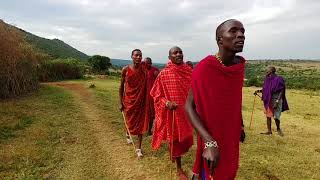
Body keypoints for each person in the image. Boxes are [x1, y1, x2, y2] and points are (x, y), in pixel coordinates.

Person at [185, 19, 246, 179]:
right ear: (220, 39)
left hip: (231, 134)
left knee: (229, 172)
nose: (240, 35)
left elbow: (234, 100)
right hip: (211, 135)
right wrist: (209, 141)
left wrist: (240, 124)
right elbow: (188, 107)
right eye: (233, 31)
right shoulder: (204, 68)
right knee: (212, 172)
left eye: (242, 31)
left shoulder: (238, 67)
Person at [150, 46, 193, 180]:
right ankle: (179, 169)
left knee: (185, 139)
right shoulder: (164, 74)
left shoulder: (189, 71)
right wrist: (166, 103)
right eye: (175, 53)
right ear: (169, 57)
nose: (179, 54)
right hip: (172, 113)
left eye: (180, 52)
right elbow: (156, 95)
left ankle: (175, 155)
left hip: (187, 112)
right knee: (175, 140)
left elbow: (195, 91)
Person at [119, 49, 150, 158]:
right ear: (131, 56)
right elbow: (121, 86)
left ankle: (138, 148)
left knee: (140, 124)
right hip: (128, 101)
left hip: (141, 102)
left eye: (140, 55)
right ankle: (128, 133)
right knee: (129, 120)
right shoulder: (125, 70)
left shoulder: (144, 69)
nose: (138, 57)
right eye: (136, 55)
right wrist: (120, 102)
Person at [254, 66, 289, 136]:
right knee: (268, 115)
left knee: (276, 116)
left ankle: (278, 129)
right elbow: (266, 90)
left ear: (271, 71)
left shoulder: (278, 79)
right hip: (268, 100)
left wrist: (277, 102)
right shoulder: (267, 79)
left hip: (276, 99)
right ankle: (269, 131)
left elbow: (281, 91)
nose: (266, 71)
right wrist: (258, 91)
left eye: (267, 70)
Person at [144, 57, 160, 135]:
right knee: (144, 114)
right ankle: (145, 128)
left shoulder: (155, 71)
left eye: (148, 63)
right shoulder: (142, 70)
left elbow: (160, 82)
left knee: (152, 114)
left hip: (152, 96)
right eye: (145, 63)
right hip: (143, 96)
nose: (146, 64)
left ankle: (149, 130)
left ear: (151, 63)